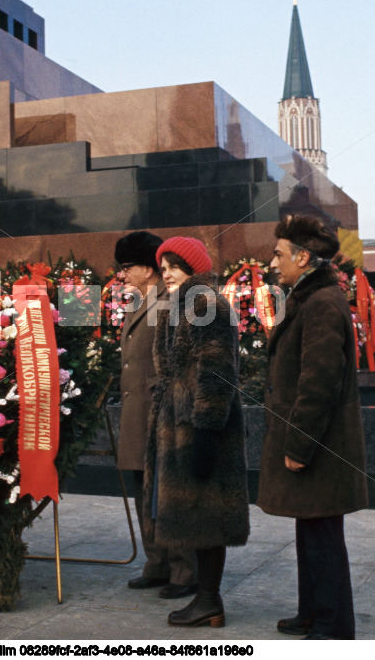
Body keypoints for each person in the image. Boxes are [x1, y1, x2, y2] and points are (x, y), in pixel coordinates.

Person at [259, 215, 368, 639]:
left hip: (320, 444)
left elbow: (318, 383)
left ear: (304, 258)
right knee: (311, 527)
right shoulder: (309, 296)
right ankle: (312, 610)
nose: (273, 262)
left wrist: (299, 444)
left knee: (322, 533)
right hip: (316, 441)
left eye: (280, 254)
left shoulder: (321, 303)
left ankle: (333, 625)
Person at [143, 236, 249, 628]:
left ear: (192, 267)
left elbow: (217, 370)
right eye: (163, 265)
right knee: (198, 513)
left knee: (208, 512)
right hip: (181, 424)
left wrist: (205, 430)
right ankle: (207, 599)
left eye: (173, 264)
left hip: (202, 426)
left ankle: (208, 599)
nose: (166, 272)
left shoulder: (205, 304)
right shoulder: (181, 305)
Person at [114, 231, 197, 600]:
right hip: (137, 411)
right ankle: (157, 563)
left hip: (159, 407)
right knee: (142, 487)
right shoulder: (138, 300)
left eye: (127, 266)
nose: (122, 274)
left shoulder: (173, 301)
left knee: (167, 490)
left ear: (148, 269)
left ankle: (184, 570)